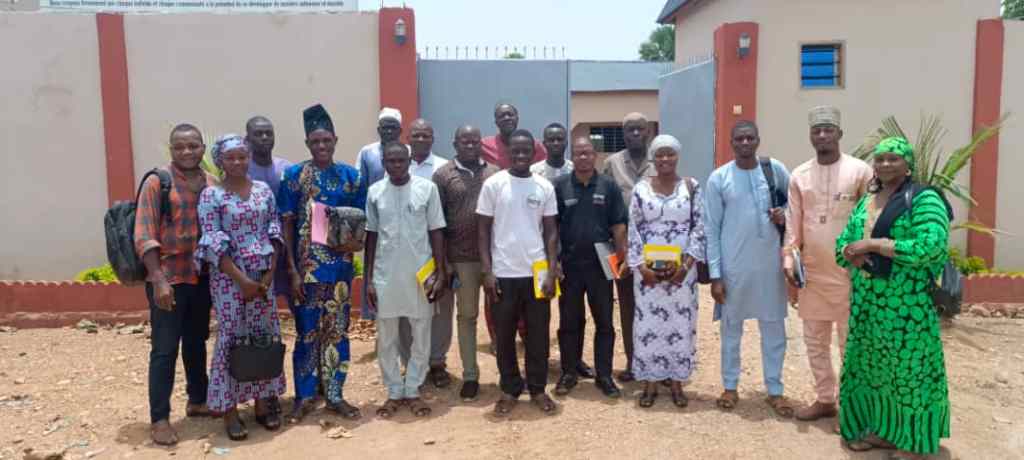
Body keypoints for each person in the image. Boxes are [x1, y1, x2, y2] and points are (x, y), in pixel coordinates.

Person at [836, 137, 951, 458]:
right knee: (872, 371)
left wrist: (874, 245)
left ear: (908, 165)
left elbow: (931, 247)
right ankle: (884, 429)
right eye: (880, 159)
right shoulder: (867, 201)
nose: (885, 164)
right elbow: (844, 241)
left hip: (906, 310)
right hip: (868, 308)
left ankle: (914, 443)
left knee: (909, 374)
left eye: (893, 158)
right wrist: (849, 251)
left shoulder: (924, 199)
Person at [783, 106, 873, 422]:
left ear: (839, 134)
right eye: (816, 130)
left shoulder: (860, 171)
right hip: (813, 273)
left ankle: (850, 407)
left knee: (850, 343)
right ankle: (825, 399)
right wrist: (788, 259)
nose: (822, 135)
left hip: (850, 274)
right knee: (815, 341)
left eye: (828, 130)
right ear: (810, 136)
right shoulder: (799, 175)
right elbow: (793, 224)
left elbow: (871, 218)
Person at [194, 134, 286, 440]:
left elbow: (274, 230)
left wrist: (269, 274)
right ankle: (230, 410)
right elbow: (212, 241)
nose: (237, 162)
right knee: (232, 339)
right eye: (230, 157)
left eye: (242, 156)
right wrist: (242, 280)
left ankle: (262, 404)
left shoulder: (262, 190)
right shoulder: (212, 196)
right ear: (220, 160)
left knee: (262, 337)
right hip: (229, 279)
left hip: (263, 277)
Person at [279, 104, 367, 422]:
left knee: (337, 333)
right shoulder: (294, 176)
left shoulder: (351, 177)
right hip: (307, 272)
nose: (321, 146)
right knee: (307, 334)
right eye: (315, 141)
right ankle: (304, 397)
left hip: (340, 270)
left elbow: (360, 222)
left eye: (326, 140)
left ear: (335, 141)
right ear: (307, 144)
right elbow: (286, 224)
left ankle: (334, 395)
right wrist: (292, 271)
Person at [704, 120, 794, 417]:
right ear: (731, 142)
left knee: (774, 329)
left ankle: (775, 390)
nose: (745, 143)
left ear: (758, 140)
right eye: (739, 139)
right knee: (731, 330)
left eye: (749, 138)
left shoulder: (774, 170)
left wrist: (784, 215)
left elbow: (796, 207)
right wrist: (715, 275)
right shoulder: (719, 178)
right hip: (734, 268)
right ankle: (730, 386)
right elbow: (711, 228)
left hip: (770, 267)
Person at [134, 123, 216, 446]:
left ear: (202, 149)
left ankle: (198, 400)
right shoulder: (158, 182)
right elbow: (144, 234)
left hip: (200, 277)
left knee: (196, 342)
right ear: (171, 150)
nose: (187, 152)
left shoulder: (210, 183)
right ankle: (160, 419)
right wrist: (158, 280)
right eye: (180, 146)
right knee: (165, 349)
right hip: (168, 279)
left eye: (193, 146)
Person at [477, 129, 560, 416]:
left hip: (536, 274)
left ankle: (537, 389)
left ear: (534, 153)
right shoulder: (494, 184)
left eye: (526, 150)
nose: (521, 155)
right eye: (516, 150)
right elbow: (482, 231)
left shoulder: (544, 187)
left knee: (538, 335)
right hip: (503, 273)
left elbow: (551, 232)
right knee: (504, 336)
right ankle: (510, 389)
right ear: (508, 152)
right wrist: (487, 272)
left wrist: (551, 271)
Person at [365, 142, 447, 419]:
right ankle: (393, 391)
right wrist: (369, 279)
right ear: (384, 163)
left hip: (420, 274)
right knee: (386, 337)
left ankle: (412, 389)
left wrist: (440, 272)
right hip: (385, 275)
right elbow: (371, 236)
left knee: (421, 333)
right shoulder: (375, 192)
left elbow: (436, 231)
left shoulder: (427, 189)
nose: (396, 165)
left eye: (401, 160)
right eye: (391, 161)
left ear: (409, 160)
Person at [626, 135, 707, 408]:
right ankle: (649, 383)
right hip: (647, 273)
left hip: (683, 271)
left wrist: (686, 267)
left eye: (670, 153)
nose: (664, 159)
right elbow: (633, 228)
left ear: (677, 156)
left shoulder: (691, 187)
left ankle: (676, 382)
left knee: (680, 324)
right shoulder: (641, 188)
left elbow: (699, 227)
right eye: (659, 154)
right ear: (653, 157)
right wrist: (641, 267)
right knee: (648, 324)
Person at [552, 137, 627, 398]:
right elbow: (552, 227)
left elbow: (619, 225)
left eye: (587, 153)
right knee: (570, 321)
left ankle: (604, 375)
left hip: (602, 263)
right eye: (578, 153)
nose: (583, 157)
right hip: (570, 264)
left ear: (595, 156)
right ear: (572, 157)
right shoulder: (560, 185)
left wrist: (620, 260)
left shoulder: (608, 186)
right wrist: (554, 261)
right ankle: (569, 372)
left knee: (604, 321)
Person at [432, 125, 500, 401]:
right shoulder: (443, 175)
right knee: (467, 316)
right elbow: (437, 222)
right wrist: (444, 262)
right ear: (455, 144)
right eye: (465, 141)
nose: (470, 145)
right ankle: (471, 376)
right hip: (461, 260)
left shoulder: (495, 173)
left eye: (475, 141)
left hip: (495, 259)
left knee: (502, 316)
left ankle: (507, 373)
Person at [600, 112, 655, 382]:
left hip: (656, 249)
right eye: (630, 130)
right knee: (628, 306)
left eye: (640, 129)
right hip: (621, 247)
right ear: (623, 134)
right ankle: (634, 362)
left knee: (656, 305)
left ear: (648, 132)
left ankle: (657, 363)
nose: (635, 134)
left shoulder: (659, 159)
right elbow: (604, 203)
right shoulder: (612, 163)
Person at [397, 118, 451, 387]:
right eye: (416, 135)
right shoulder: (396, 165)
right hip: (404, 251)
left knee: (439, 308)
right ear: (408, 138)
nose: (420, 139)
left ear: (433, 138)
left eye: (425, 135)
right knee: (405, 309)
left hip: (436, 250)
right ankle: (410, 363)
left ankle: (437, 361)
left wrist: (445, 261)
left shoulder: (443, 168)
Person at [245, 116, 294, 313]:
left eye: (268, 133)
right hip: (256, 248)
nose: (264, 137)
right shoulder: (241, 170)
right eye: (258, 134)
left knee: (297, 300)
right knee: (259, 304)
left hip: (288, 245)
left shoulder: (287, 169)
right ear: (247, 139)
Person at [481, 103, 546, 169]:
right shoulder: (484, 145)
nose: (507, 118)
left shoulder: (535, 145)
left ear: (517, 119)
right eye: (502, 116)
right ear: (496, 122)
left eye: (510, 115)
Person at [356, 107, 404, 188]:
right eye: (385, 127)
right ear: (378, 130)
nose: (389, 131)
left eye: (393, 128)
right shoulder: (367, 152)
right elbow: (360, 183)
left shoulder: (409, 152)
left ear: (400, 131)